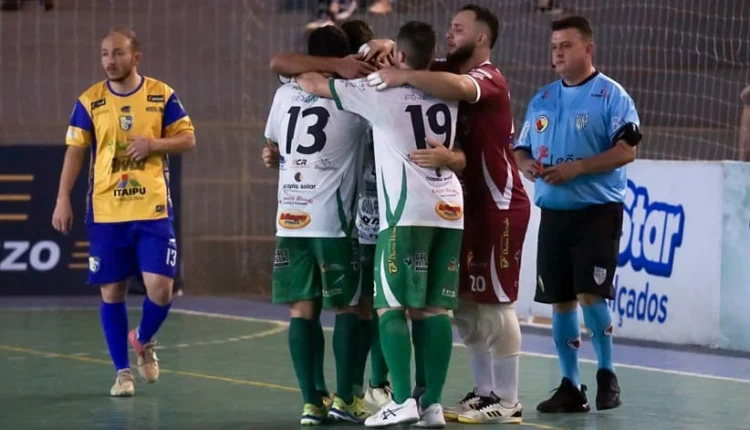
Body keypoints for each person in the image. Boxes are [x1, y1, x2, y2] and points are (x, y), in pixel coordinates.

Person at [364, 4, 529, 423]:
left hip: (499, 204)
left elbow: (451, 85)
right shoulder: (441, 70)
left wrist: (400, 75)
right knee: (467, 305)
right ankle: (484, 391)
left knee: (497, 303)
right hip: (459, 206)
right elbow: (415, 60)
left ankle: (508, 399)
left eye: (458, 29)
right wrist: (388, 45)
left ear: (482, 38)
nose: (450, 34)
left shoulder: (488, 77)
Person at [296, 21, 466, 428]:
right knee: (434, 309)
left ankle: (401, 399)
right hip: (449, 209)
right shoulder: (448, 90)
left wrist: (346, 64)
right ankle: (432, 405)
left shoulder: (379, 92)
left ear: (399, 56)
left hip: (406, 214)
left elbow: (311, 82)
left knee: (389, 306)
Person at [52, 27, 196, 397]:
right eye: (104, 54)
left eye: (117, 53)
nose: (110, 61)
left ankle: (143, 338)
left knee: (161, 288)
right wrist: (62, 197)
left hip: (152, 209)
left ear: (136, 57)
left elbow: (188, 139)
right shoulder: (90, 101)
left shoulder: (161, 94)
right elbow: (75, 151)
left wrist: (153, 145)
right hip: (106, 211)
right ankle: (122, 373)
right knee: (112, 291)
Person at [513, 15, 640, 413]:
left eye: (566, 46)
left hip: (596, 211)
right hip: (554, 213)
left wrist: (578, 168)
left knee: (590, 293)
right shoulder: (543, 99)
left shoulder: (611, 95)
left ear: (588, 49)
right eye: (554, 47)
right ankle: (570, 385)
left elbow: (627, 150)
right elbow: (521, 148)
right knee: (561, 300)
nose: (558, 53)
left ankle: (607, 374)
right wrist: (525, 164)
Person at [263, 25, 372, 426]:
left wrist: (276, 156)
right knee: (349, 307)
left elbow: (273, 145)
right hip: (333, 221)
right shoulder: (353, 97)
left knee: (301, 309)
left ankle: (311, 402)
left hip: (290, 218)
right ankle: (347, 399)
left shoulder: (284, 93)